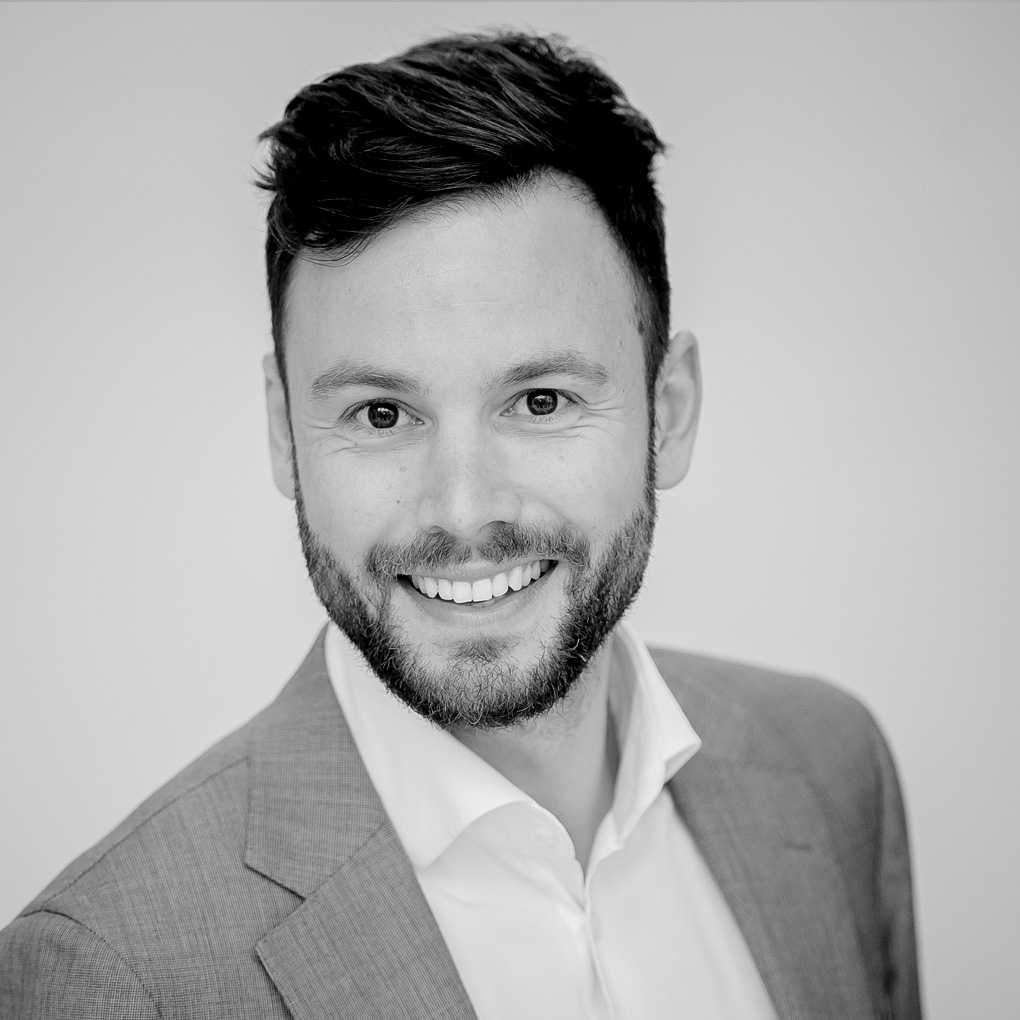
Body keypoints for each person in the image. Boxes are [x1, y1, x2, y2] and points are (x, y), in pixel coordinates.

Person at [0, 31, 921, 1020]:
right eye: (381, 414)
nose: (463, 510)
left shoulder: (832, 768)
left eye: (540, 401)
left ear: (671, 409)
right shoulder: (104, 979)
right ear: (283, 431)